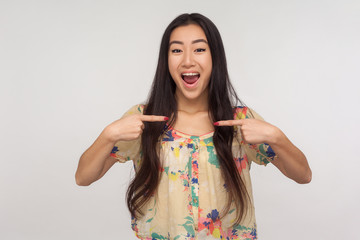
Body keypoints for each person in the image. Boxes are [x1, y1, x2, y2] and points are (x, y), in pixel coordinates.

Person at [75, 13, 311, 240]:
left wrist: (276, 137)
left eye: (199, 49)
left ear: (214, 57)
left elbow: (303, 175)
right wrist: (108, 135)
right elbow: (83, 178)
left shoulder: (239, 121)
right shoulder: (145, 120)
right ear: (166, 60)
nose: (188, 60)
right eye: (176, 50)